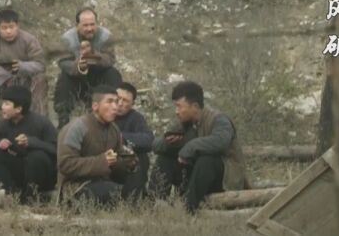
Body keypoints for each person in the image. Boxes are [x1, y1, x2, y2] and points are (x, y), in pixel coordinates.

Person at [149, 81, 250, 213]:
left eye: (179, 106)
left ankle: (186, 208)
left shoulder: (219, 119)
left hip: (225, 178)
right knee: (165, 158)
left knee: (207, 160)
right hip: (195, 177)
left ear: (195, 106)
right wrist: (167, 143)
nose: (176, 112)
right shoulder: (183, 123)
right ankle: (156, 203)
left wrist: (190, 147)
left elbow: (220, 142)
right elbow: (155, 145)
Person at [57, 85, 144, 207]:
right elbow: (66, 164)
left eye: (116, 102)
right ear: (95, 106)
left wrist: (127, 162)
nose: (115, 106)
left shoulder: (114, 129)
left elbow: (117, 161)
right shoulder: (77, 128)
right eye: (109, 102)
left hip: (104, 181)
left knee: (137, 177)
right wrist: (103, 161)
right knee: (115, 192)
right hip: (76, 188)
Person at [0, 86, 57, 203]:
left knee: (36, 157)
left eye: (7, 104)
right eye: (3, 103)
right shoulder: (2, 124)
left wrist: (32, 142)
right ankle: (8, 194)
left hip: (41, 175)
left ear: (18, 109)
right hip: (19, 169)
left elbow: (55, 149)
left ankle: (31, 197)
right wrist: (0, 142)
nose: (2, 107)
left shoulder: (42, 123)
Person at [53, 7, 123, 129]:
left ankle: (114, 112)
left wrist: (95, 56)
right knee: (64, 78)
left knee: (113, 74)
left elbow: (110, 59)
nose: (89, 28)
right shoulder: (67, 39)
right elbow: (63, 62)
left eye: (92, 24)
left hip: (98, 75)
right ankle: (63, 117)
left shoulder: (105, 36)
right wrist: (78, 65)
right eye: (85, 25)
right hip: (77, 76)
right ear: (77, 25)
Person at [115, 82, 154, 194]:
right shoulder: (104, 112)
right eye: (118, 98)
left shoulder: (135, 118)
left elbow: (148, 140)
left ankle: (136, 196)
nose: (120, 103)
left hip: (126, 163)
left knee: (141, 156)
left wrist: (122, 137)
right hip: (104, 161)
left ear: (132, 104)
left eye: (125, 101)